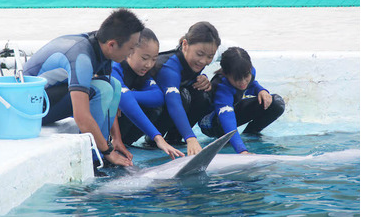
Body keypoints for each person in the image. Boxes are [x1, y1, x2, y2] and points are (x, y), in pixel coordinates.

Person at [23, 9, 145, 167]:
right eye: (131, 48)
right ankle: (93, 158)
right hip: (30, 106)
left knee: (113, 85)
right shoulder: (81, 58)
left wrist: (116, 140)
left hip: (48, 97)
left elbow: (109, 101)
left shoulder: (102, 46)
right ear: (112, 45)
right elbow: (81, 117)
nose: (133, 52)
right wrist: (109, 152)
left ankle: (101, 152)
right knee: (102, 89)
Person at [111, 28, 185, 159]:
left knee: (153, 107)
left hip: (120, 119)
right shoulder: (115, 67)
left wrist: (121, 97)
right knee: (119, 105)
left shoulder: (141, 74)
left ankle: (125, 143)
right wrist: (158, 138)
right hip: (87, 123)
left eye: (154, 59)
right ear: (129, 51)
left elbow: (158, 97)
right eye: (144, 58)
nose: (149, 64)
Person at [150, 21, 221, 156]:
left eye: (209, 57)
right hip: (140, 115)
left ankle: (174, 138)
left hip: (163, 108)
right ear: (185, 45)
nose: (203, 61)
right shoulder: (169, 66)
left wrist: (202, 79)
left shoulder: (193, 61)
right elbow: (174, 102)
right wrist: (191, 137)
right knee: (182, 97)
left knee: (203, 95)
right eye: (200, 54)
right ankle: (152, 140)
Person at [199, 47, 285, 153]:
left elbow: (251, 83)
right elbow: (227, 118)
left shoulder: (249, 71)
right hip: (212, 123)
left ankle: (250, 135)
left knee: (276, 103)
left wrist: (261, 90)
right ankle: (231, 141)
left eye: (246, 76)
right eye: (237, 79)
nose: (243, 82)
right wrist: (242, 150)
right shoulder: (221, 87)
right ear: (226, 74)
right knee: (224, 123)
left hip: (233, 109)